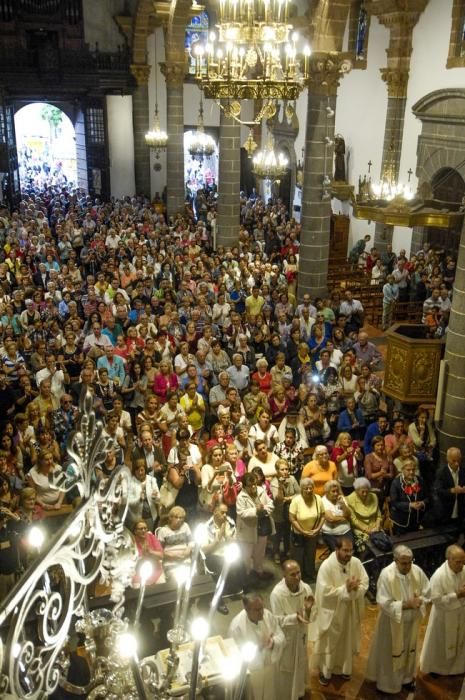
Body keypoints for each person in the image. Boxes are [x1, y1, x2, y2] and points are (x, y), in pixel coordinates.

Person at [366, 545, 430, 695]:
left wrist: (420, 600)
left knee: (409, 651)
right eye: (404, 563)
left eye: (410, 562)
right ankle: (387, 685)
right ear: (395, 561)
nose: (408, 566)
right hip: (391, 623)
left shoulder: (417, 571)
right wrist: (406, 605)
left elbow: (428, 591)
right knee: (390, 654)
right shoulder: (386, 575)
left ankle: (407, 679)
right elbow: (382, 602)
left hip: (411, 623)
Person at [312, 536, 369, 686]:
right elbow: (324, 592)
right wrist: (346, 590)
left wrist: (354, 591)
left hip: (350, 611)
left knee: (347, 640)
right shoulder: (326, 566)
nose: (349, 554)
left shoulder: (355, 563)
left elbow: (365, 581)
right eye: (345, 550)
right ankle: (326, 672)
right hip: (333, 613)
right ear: (337, 549)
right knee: (331, 643)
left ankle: (345, 669)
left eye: (351, 550)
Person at [270, 560, 316, 700]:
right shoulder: (277, 594)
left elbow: (312, 612)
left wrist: (308, 611)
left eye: (298, 573)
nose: (297, 577)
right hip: (287, 638)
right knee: (287, 669)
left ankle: (299, 692)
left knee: (300, 663)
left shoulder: (306, 588)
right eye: (292, 574)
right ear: (284, 575)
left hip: (301, 635)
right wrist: (295, 618)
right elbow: (277, 620)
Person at [228, 593, 286, 700]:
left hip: (270, 669)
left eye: (262, 608)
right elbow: (236, 656)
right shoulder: (237, 627)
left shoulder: (267, 615)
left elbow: (281, 636)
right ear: (246, 609)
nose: (261, 613)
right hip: (252, 674)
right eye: (257, 610)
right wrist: (259, 647)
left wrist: (272, 642)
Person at [420, 545, 465, 677]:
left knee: (459, 640)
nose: (462, 565)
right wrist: (457, 595)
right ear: (449, 559)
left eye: (463, 561)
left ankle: (457, 668)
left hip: (460, 613)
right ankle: (436, 668)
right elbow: (435, 599)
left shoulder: (464, 570)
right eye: (458, 562)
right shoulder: (439, 576)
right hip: (443, 616)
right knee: (440, 643)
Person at [288, 477, 324, 583]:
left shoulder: (318, 499)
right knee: (298, 557)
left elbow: (323, 516)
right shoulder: (296, 500)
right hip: (298, 534)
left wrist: (317, 530)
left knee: (310, 555)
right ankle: (298, 577)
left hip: (313, 534)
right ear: (301, 489)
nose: (308, 490)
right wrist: (303, 532)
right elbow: (292, 519)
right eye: (305, 488)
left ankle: (309, 574)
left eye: (310, 488)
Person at [389, 460, 427, 535]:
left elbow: (428, 497)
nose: (411, 472)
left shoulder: (420, 480)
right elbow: (394, 502)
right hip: (401, 522)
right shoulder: (396, 483)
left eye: (413, 470)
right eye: (408, 470)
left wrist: (422, 503)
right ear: (402, 470)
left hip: (417, 520)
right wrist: (410, 505)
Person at [346, 477, 382, 554]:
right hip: (360, 529)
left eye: (367, 491)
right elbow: (353, 520)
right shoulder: (349, 499)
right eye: (362, 492)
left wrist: (377, 526)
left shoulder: (374, 496)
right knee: (367, 549)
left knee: (382, 544)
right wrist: (367, 530)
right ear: (356, 491)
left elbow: (378, 515)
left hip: (375, 527)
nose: (365, 494)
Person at [432, 446, 465, 529]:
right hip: (445, 511)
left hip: (460, 510)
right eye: (454, 461)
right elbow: (437, 491)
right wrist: (452, 490)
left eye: (459, 460)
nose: (457, 463)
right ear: (447, 459)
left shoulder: (463, 471)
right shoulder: (441, 472)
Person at [321, 480, 353, 551]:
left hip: (346, 531)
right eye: (333, 491)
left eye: (337, 491)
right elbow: (331, 519)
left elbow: (349, 514)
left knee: (349, 549)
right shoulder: (323, 501)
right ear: (327, 492)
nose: (336, 493)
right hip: (331, 533)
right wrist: (345, 517)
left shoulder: (341, 498)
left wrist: (343, 504)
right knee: (339, 552)